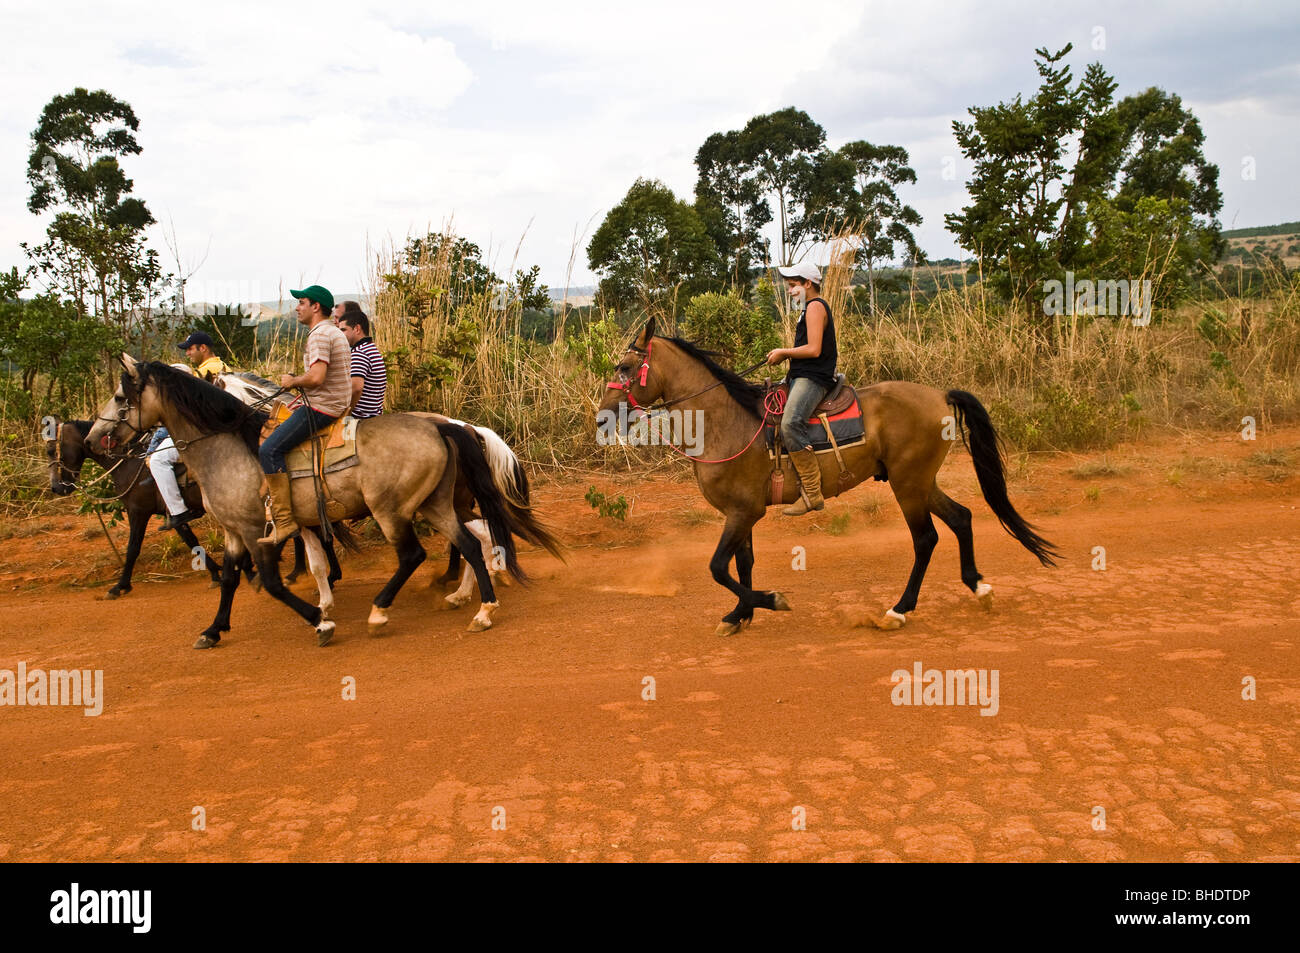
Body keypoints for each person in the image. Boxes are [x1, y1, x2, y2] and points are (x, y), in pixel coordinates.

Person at [257, 285, 352, 545]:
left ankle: (284, 521)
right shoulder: (333, 331)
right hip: (333, 403)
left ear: (316, 307)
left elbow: (317, 377)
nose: (297, 308)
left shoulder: (320, 334)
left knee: (269, 450)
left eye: (301, 302)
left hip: (322, 408)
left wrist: (293, 381)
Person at [765, 261, 838, 516]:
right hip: (802, 375)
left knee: (790, 423)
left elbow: (814, 349)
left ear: (808, 284)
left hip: (814, 378)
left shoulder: (815, 307)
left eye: (793, 285)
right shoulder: (808, 308)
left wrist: (784, 352)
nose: (790, 291)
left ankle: (812, 493)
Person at [148, 335, 231, 530]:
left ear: (203, 348)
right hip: (216, 427)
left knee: (157, 459)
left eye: (190, 349)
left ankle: (178, 511)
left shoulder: (204, 373)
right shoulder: (222, 366)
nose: (187, 353)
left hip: (203, 432)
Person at [334, 303, 386, 418]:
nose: (340, 335)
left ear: (357, 329)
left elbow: (356, 388)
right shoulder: (371, 348)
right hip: (374, 413)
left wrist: (347, 413)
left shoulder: (359, 353)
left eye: (343, 330)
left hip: (360, 416)